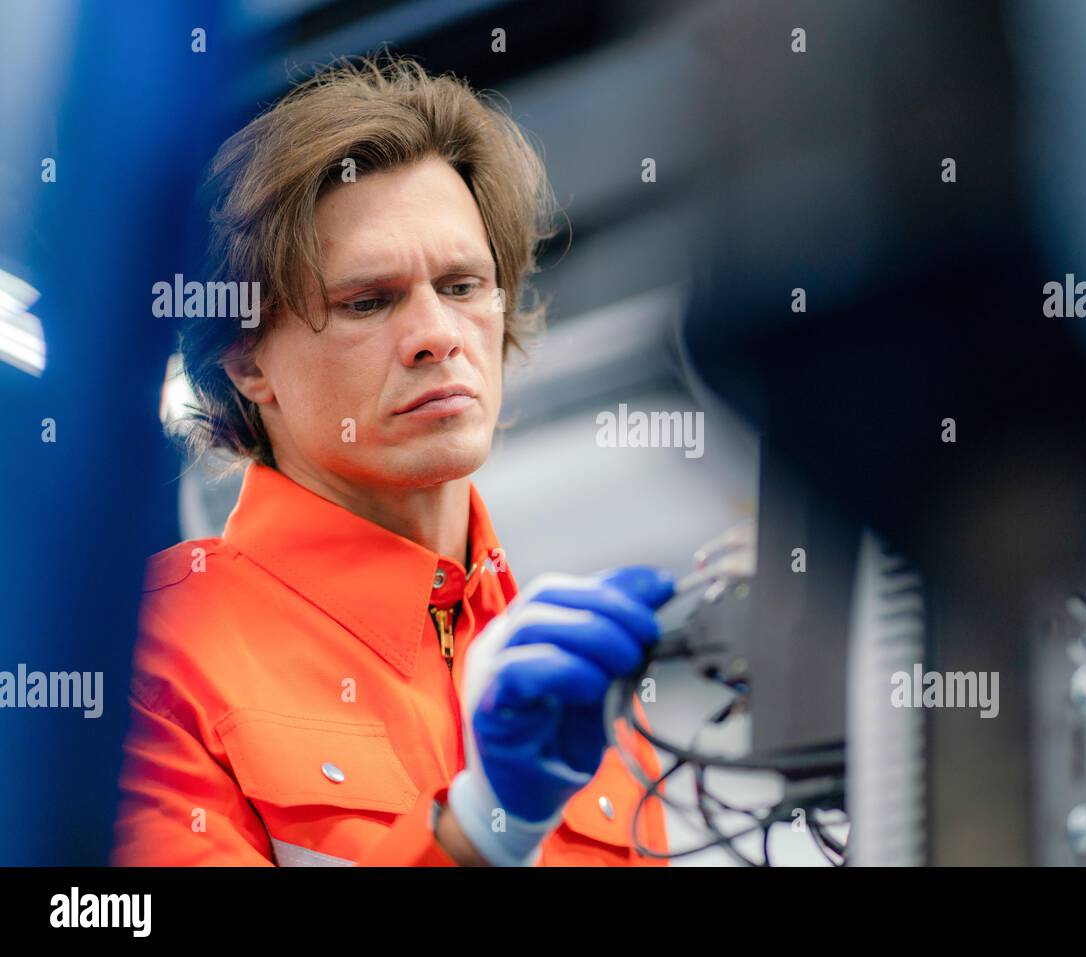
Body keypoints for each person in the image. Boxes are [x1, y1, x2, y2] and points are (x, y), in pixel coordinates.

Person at [111, 55, 672, 867]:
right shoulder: (152, 653)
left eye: (463, 284)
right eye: (367, 301)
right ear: (246, 361)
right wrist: (483, 826)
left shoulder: (576, 680)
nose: (437, 334)